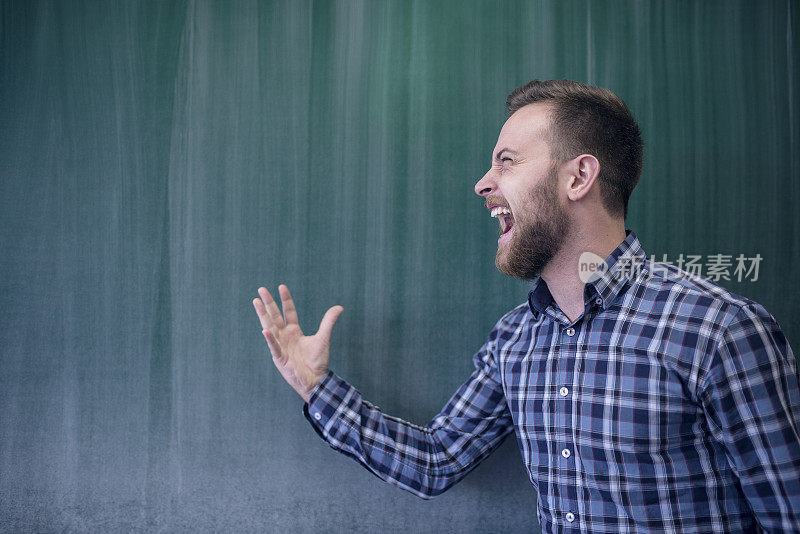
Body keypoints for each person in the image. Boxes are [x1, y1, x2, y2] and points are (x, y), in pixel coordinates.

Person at [252, 79, 800, 532]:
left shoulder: (719, 329)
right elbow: (436, 460)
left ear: (578, 176)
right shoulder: (515, 340)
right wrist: (317, 389)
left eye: (506, 162)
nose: (482, 184)